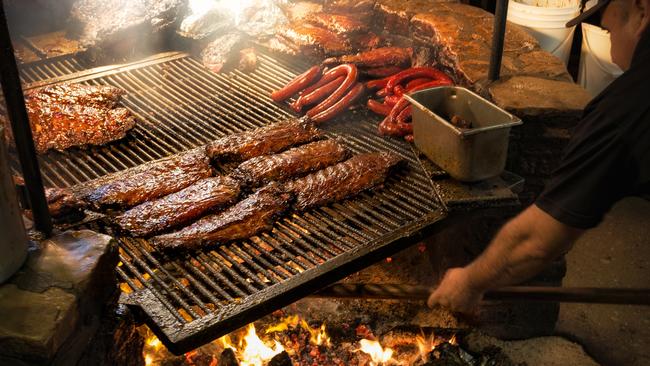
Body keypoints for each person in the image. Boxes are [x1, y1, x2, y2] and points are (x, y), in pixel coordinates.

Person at [427, 0, 650, 313]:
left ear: (642, 12)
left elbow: (538, 239)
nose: (606, 33)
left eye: (606, 26)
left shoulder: (627, 109)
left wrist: (469, 282)